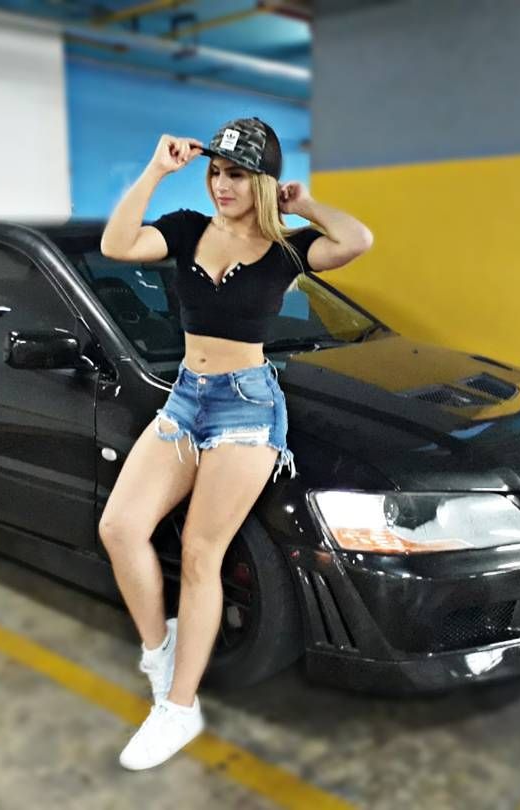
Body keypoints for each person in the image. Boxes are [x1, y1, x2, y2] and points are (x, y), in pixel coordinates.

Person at [98, 117, 373, 770]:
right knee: (120, 527)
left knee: (202, 552)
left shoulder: (285, 251)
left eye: (238, 176)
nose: (222, 185)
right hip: (185, 398)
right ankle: (160, 652)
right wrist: (157, 170)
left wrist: (305, 204)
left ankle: (178, 708)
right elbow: (117, 243)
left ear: (264, 183)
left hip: (246, 407)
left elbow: (357, 239)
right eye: (216, 172)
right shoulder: (186, 228)